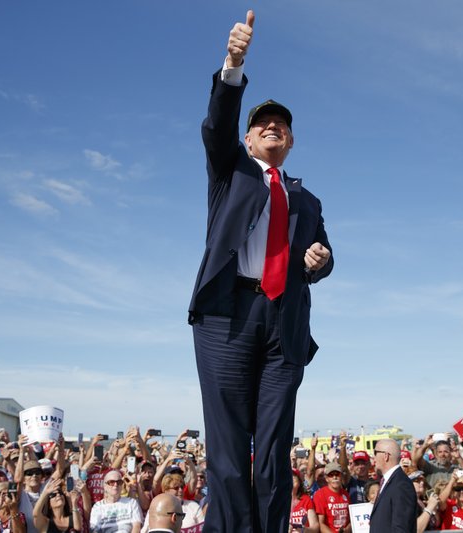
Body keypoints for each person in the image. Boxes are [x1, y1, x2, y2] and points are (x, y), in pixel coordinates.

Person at [188, 9, 333, 533]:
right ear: (248, 140)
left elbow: (324, 255)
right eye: (262, 123)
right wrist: (233, 63)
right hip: (227, 317)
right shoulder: (232, 172)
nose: (273, 126)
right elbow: (217, 123)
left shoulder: (308, 199)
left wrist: (318, 261)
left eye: (283, 125)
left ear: (291, 142)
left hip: (284, 321)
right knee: (227, 447)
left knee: (273, 449)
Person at [368, 439, 417, 533]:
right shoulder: (389, 482)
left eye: (375, 453)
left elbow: (401, 527)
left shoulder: (401, 485)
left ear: (386, 456)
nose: (373, 458)